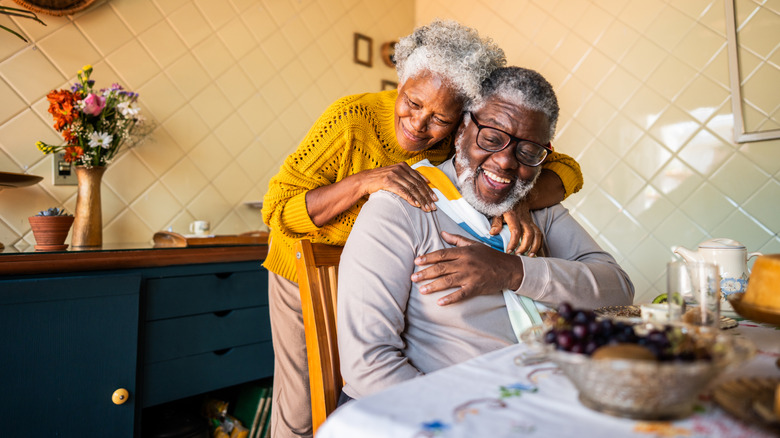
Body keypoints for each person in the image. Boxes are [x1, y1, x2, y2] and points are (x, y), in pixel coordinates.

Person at [261, 21, 584, 438]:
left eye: (440, 118)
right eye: (412, 103)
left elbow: (567, 170)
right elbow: (278, 211)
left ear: (462, 122)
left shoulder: (453, 143)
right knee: (303, 404)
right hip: (304, 269)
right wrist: (365, 181)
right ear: (401, 83)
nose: (418, 124)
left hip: (382, 272)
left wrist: (518, 198)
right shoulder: (351, 119)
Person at [337, 66, 634, 400]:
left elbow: (618, 289)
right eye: (491, 139)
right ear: (462, 129)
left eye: (528, 152)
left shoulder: (533, 205)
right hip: (442, 410)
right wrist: (470, 419)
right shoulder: (400, 208)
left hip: (538, 398)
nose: (506, 161)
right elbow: (368, 365)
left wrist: (510, 271)